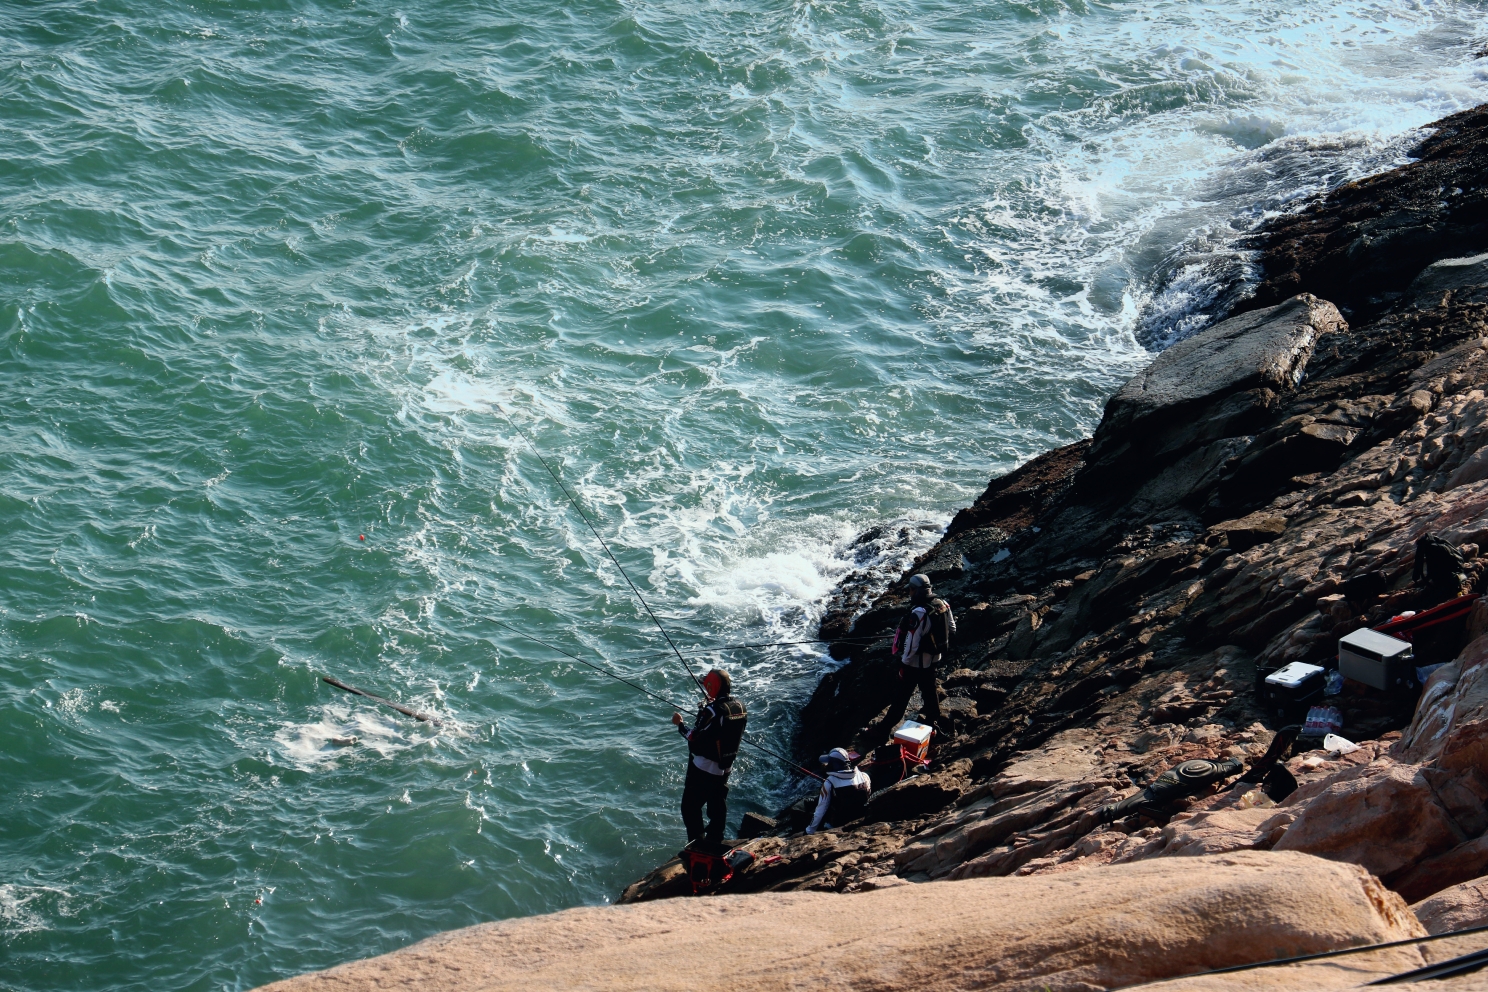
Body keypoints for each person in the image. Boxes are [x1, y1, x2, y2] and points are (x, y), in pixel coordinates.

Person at [671, 668, 747, 848]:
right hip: (725, 766)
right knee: (717, 804)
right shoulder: (740, 707)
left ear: (714, 687)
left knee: (690, 807)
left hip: (703, 768)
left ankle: (698, 845)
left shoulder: (712, 711)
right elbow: (722, 727)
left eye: (708, 685)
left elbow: (693, 736)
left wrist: (680, 724)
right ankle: (715, 839)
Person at [884, 573, 956, 733]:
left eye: (910, 590)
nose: (909, 593)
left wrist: (904, 664)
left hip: (916, 662)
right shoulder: (943, 604)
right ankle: (933, 718)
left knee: (901, 696)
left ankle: (883, 728)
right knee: (929, 688)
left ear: (915, 590)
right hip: (935, 658)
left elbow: (911, 645)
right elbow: (952, 629)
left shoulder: (919, 612)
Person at [806, 747, 871, 835]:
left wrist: (809, 831)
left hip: (837, 825)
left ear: (833, 765)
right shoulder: (864, 776)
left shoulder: (830, 782)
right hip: (861, 820)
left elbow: (821, 810)